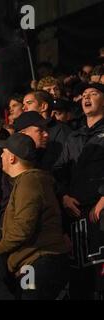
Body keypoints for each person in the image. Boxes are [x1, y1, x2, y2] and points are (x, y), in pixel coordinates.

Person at [0, 133, 69, 300]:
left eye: (4, 152)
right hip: (32, 263)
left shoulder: (29, 182)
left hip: (37, 263)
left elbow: (23, 229)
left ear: (12, 158)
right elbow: (17, 228)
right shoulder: (25, 182)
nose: (0, 155)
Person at [53, 83, 104, 299]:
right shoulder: (73, 137)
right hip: (75, 214)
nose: (87, 97)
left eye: (93, 94)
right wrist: (63, 196)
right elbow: (58, 171)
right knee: (79, 278)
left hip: (100, 213)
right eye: (84, 95)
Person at [23, 90, 72, 170]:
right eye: (23, 105)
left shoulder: (62, 130)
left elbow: (61, 166)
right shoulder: (27, 129)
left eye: (29, 103)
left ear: (43, 106)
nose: (23, 108)